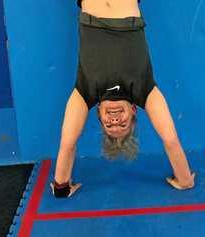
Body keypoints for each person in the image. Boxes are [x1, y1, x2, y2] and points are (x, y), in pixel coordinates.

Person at [50, 0, 196, 198]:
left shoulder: (85, 93)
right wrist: (185, 180)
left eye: (110, 126)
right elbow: (170, 140)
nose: (115, 121)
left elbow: (67, 143)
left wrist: (62, 188)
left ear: (99, 115)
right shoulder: (145, 91)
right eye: (123, 125)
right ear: (134, 111)